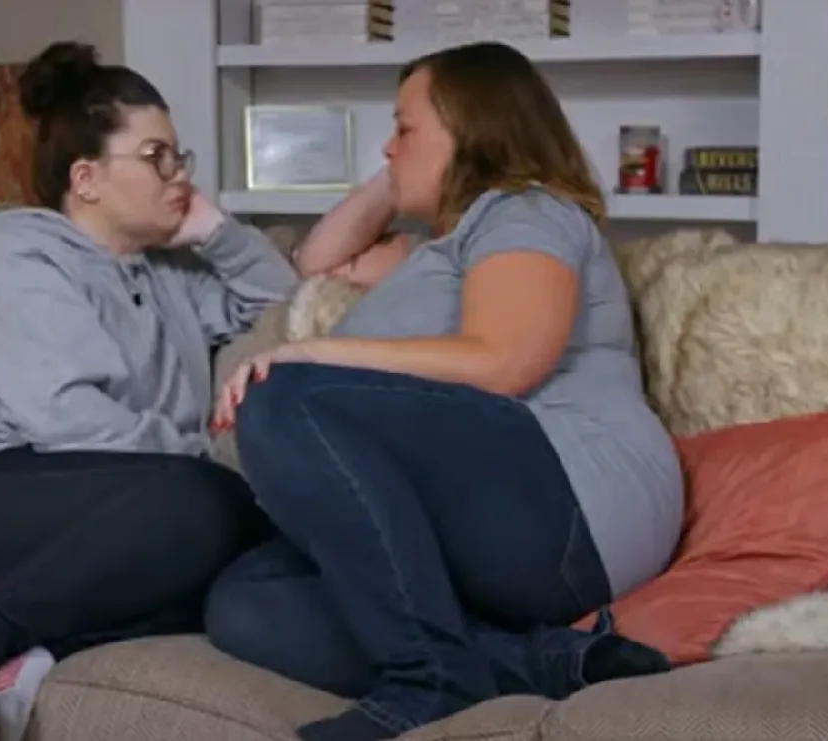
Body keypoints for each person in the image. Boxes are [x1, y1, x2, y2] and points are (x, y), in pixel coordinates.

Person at [203, 41, 685, 741]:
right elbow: (319, 259)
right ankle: (542, 661)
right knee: (248, 599)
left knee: (286, 397)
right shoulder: (434, 248)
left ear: (472, 131)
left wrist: (307, 353)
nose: (387, 147)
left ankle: (426, 681)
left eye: (403, 128)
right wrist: (405, 168)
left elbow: (504, 360)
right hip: (500, 513)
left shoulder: (525, 212)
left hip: (575, 502)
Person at [0, 41, 296, 741]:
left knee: (249, 561)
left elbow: (280, 302)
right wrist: (200, 461)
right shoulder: (17, 257)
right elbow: (70, 423)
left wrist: (215, 232)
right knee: (209, 504)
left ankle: (39, 651)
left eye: (179, 156)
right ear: (86, 178)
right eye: (157, 157)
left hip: (101, 496)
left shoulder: (169, 278)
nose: (179, 175)